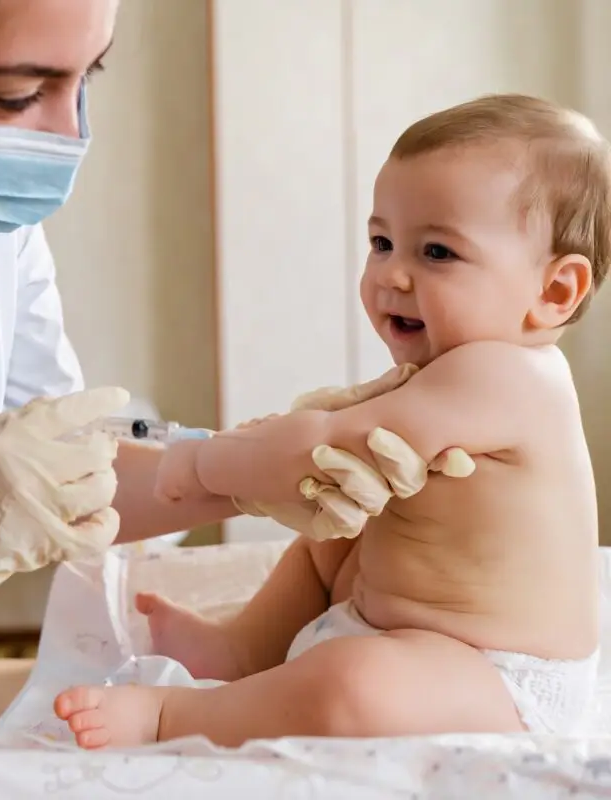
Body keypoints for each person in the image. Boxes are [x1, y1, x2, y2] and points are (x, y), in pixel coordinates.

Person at [0, 1, 471, 796]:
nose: (67, 137)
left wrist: (241, 471)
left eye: (86, 78)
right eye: (17, 96)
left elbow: (69, 469)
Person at [54, 94, 607, 748]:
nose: (391, 275)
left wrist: (200, 463)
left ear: (554, 293)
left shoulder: (509, 375)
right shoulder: (443, 373)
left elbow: (321, 449)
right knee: (333, 537)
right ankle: (239, 652)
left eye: (437, 252)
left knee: (351, 684)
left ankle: (174, 716)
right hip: (406, 632)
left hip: (494, 675)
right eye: (381, 242)